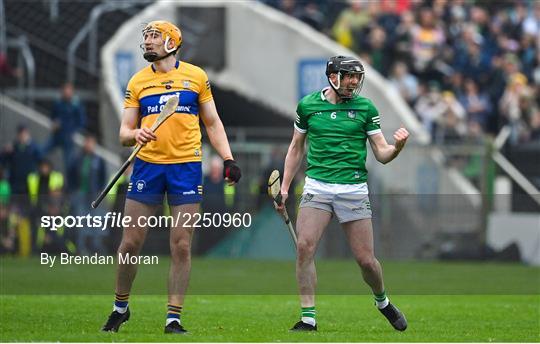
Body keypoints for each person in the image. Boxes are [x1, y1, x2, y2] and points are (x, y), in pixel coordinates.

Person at [101, 20, 241, 334]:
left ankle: (173, 318)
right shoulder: (137, 82)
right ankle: (120, 307)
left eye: (154, 37)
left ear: (171, 42)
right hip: (148, 167)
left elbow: (213, 123)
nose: (148, 42)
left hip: (186, 167)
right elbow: (124, 131)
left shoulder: (196, 77)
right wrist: (135, 132)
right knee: (129, 244)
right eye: (146, 37)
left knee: (180, 246)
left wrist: (228, 159)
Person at [277, 56, 408, 332]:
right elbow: (296, 148)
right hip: (317, 185)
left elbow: (382, 153)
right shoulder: (308, 105)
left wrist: (397, 147)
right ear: (333, 76)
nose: (354, 83)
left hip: (353, 188)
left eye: (357, 78)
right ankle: (308, 318)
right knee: (304, 247)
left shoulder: (365, 108)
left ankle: (382, 301)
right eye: (349, 76)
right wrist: (286, 186)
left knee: (366, 261)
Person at [43, 82, 86, 173]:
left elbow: (81, 122)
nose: (67, 92)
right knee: (42, 151)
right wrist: (54, 124)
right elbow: (52, 117)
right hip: (57, 135)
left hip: (68, 138)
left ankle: (69, 185)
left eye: (69, 90)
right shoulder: (58, 103)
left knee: (69, 164)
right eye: (65, 90)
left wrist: (73, 131)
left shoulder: (76, 105)